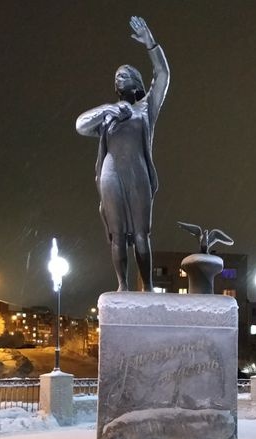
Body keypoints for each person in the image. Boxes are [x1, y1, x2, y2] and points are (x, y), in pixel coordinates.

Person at [76, 16, 170, 292]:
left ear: (137, 83)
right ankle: (122, 286)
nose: (120, 78)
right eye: (117, 77)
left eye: (125, 75)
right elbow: (80, 125)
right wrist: (107, 109)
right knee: (116, 233)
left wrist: (150, 43)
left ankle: (147, 286)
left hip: (138, 170)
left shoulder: (146, 108)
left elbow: (163, 75)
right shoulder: (108, 116)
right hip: (111, 172)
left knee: (142, 233)